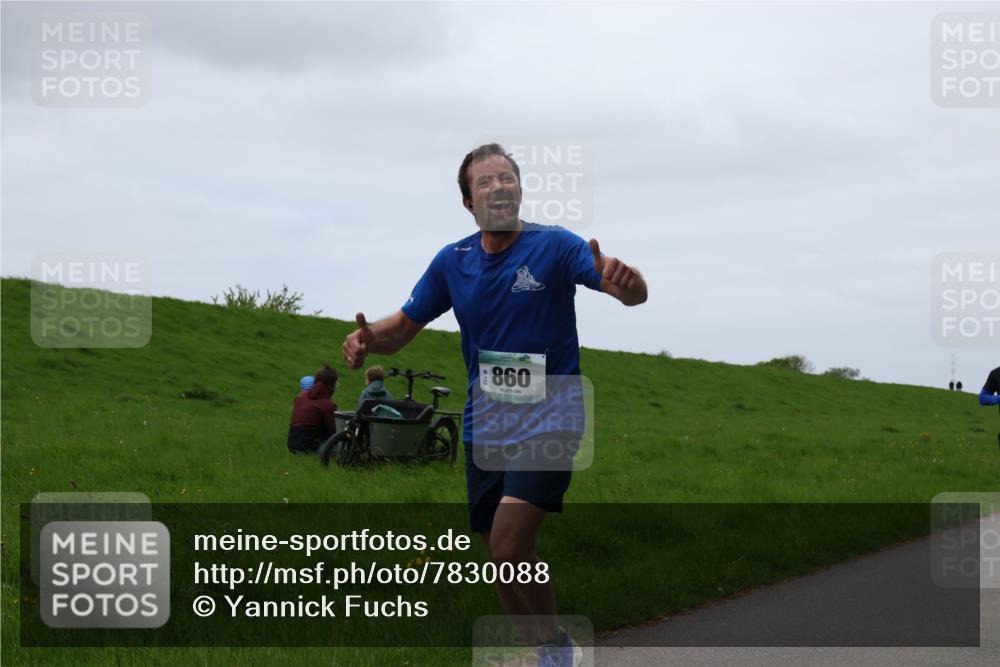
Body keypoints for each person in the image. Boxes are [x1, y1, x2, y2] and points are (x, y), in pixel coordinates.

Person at [342, 143, 647, 666]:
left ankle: (556, 646)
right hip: (486, 424)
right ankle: (547, 652)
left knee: (508, 545)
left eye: (507, 177)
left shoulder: (555, 246)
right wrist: (368, 341)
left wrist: (626, 284)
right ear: (467, 202)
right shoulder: (452, 262)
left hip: (552, 416)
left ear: (520, 189)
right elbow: (401, 329)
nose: (498, 186)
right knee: (498, 560)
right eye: (485, 182)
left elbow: (629, 292)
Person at [287, 365, 338, 454]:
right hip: (309, 448)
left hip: (292, 444)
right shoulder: (328, 404)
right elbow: (333, 428)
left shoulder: (301, 396)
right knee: (340, 445)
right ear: (331, 385)